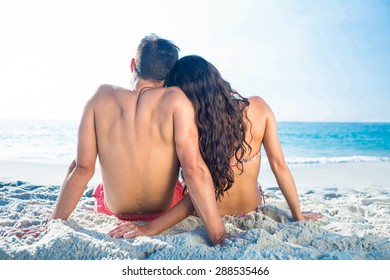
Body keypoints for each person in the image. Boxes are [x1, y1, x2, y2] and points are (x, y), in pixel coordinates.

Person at [6, 37, 227, 246]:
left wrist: (52, 225)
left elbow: (82, 169)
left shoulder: (100, 97)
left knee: (85, 168)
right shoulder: (176, 100)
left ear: (133, 64)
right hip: (163, 210)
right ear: (168, 76)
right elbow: (193, 170)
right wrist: (219, 237)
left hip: (114, 211)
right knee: (190, 183)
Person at [108, 55, 323, 239]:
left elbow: (195, 194)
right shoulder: (259, 107)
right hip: (250, 207)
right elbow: (280, 166)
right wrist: (298, 215)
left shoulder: (194, 126)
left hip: (207, 214)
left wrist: (149, 229)